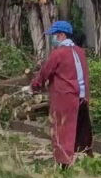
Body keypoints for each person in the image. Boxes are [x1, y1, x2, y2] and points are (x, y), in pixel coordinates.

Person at [31, 20, 92, 166]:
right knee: (81, 130)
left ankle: (63, 163)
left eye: (54, 35)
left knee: (62, 131)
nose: (52, 38)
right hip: (82, 98)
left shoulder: (58, 54)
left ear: (61, 35)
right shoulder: (80, 52)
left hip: (65, 98)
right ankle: (84, 159)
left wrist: (34, 86)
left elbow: (45, 72)